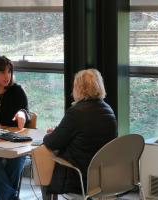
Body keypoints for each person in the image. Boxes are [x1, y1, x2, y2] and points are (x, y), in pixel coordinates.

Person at [42, 69, 117, 199]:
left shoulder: (76, 113)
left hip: (79, 176)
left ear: (79, 88)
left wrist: (49, 134)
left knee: (42, 154)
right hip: (103, 175)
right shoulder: (108, 110)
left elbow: (52, 142)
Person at [0, 55, 31, 200]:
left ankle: (6, 197)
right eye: (2, 72)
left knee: (16, 158)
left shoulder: (17, 91)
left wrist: (22, 114)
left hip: (13, 141)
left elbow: (25, 111)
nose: (7, 76)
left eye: (9, 72)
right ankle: (10, 197)